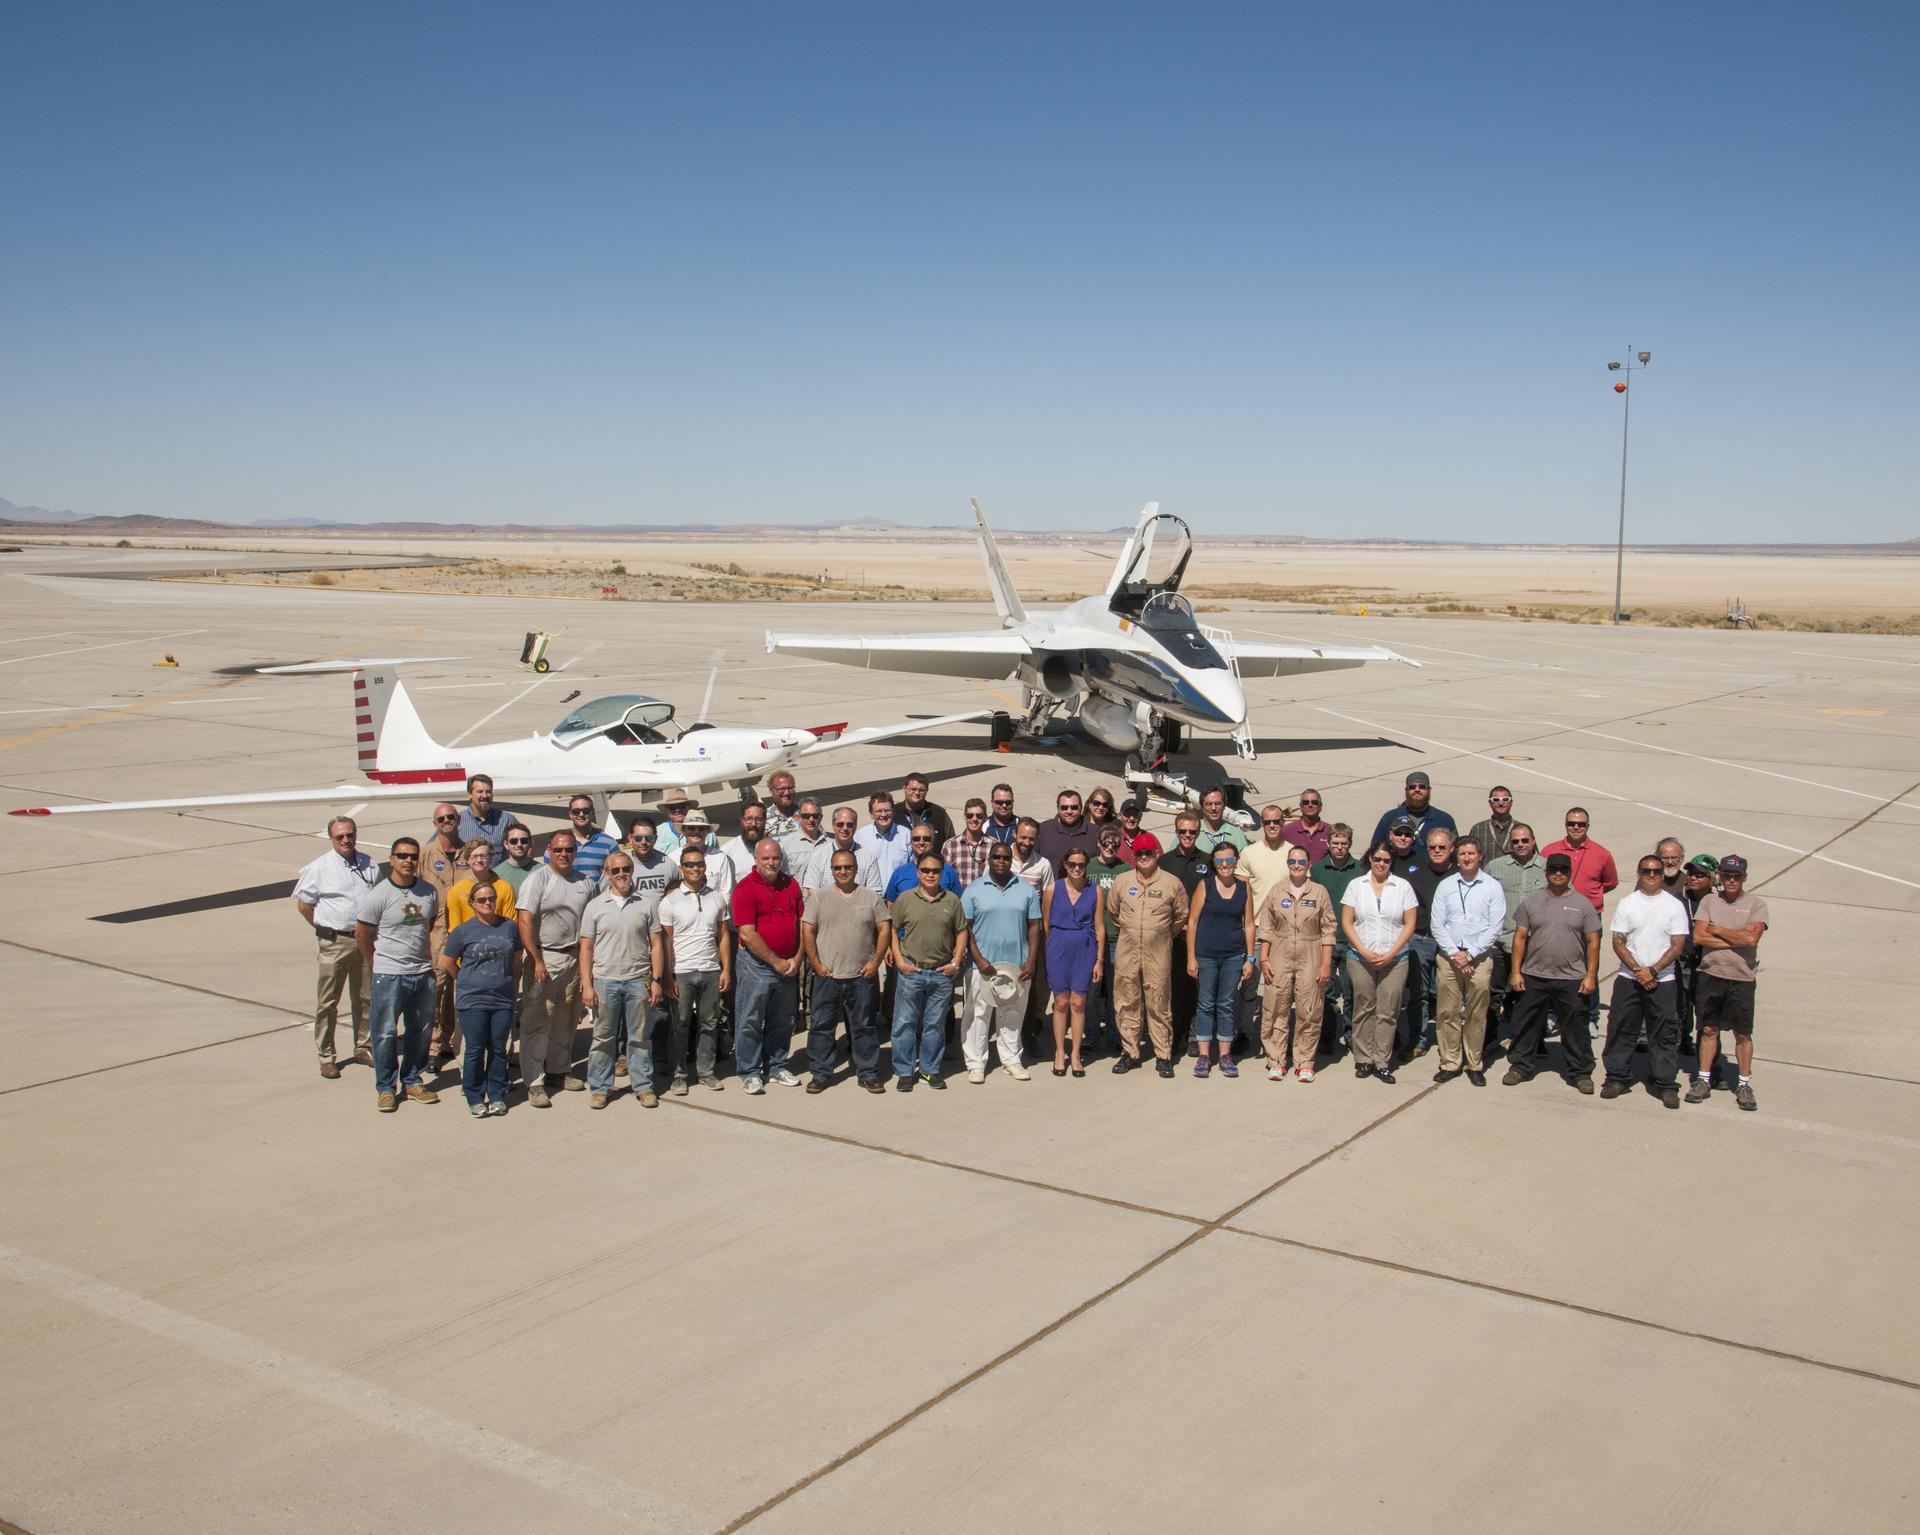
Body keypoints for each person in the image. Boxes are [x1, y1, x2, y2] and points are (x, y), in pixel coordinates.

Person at [1504, 853, 1602, 1092]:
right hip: (1534, 975)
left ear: (1569, 874)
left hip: (1571, 978)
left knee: (1576, 1027)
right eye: (1554, 869)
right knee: (1526, 1023)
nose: (1559, 873)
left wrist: (1590, 976)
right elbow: (1519, 938)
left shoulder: (1583, 904)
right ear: (1545, 872)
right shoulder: (1531, 902)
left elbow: (1593, 942)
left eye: (1564, 870)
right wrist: (1516, 973)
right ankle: (1520, 1066)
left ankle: (1580, 1073)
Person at [355, 836, 439, 1113]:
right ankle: (386, 1088)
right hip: (389, 975)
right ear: (391, 859)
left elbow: (430, 924)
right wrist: (377, 963)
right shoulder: (378, 895)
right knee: (385, 1033)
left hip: (422, 973)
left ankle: (413, 1080)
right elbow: (363, 935)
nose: (408, 861)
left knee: (421, 1031)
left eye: (413, 856)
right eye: (402, 856)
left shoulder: (428, 892)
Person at [1602, 855, 1690, 1108]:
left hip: (1663, 980)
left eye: (1656, 871)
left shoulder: (1673, 905)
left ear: (1663, 875)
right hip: (1629, 978)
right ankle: (1617, 1077)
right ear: (1638, 873)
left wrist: (1653, 970)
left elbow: (1678, 944)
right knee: (1621, 1027)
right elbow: (1618, 941)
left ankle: (1664, 1083)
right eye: (1646, 871)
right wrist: (1638, 970)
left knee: (1664, 1033)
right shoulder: (1627, 903)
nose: (1651, 875)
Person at [294, 815, 377, 1079]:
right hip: (335, 941)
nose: (346, 840)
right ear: (331, 838)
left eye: (350, 835)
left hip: (364, 941)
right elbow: (305, 905)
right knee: (328, 1001)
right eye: (340, 836)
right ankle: (327, 1055)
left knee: (366, 997)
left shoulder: (370, 864)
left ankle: (364, 1046)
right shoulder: (318, 868)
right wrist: (324, 928)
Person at [515, 829, 594, 1106]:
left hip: (574, 957)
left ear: (575, 851)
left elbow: (590, 922)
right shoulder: (538, 879)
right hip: (545, 958)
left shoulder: (584, 882)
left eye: (569, 849)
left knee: (567, 1017)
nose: (564, 854)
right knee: (538, 1020)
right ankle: (534, 1081)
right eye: (558, 849)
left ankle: (558, 1071)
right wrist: (535, 959)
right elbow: (524, 920)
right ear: (549, 850)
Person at [800, 848, 890, 1093]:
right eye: (838, 868)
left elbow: (884, 929)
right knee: (821, 1027)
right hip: (827, 977)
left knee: (864, 1027)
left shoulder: (870, 897)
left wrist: (875, 962)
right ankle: (820, 1074)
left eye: (848, 867)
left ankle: (868, 1073)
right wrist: (816, 964)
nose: (843, 871)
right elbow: (807, 931)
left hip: (862, 977)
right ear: (831, 870)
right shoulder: (819, 898)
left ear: (856, 869)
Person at [582, 854, 666, 1108]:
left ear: (632, 871)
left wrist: (657, 980)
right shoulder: (595, 906)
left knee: (640, 1036)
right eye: (615, 869)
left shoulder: (647, 904)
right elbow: (586, 948)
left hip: (637, 979)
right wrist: (587, 984)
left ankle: (643, 1086)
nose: (621, 874)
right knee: (603, 1037)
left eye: (626, 869)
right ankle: (600, 1087)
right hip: (605, 980)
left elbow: (656, 945)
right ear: (607, 872)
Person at [1688, 854, 1768, 1111]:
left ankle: (1744, 1083)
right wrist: (1737, 937)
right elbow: (1699, 936)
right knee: (1708, 1029)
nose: (1731, 880)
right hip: (1711, 975)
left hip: (1742, 978)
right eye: (1727, 876)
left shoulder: (1756, 904)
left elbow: (1751, 940)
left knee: (1742, 1033)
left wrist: (1719, 929)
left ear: (1744, 878)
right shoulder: (1710, 900)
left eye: (1737, 876)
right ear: (1719, 877)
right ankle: (1703, 1079)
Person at [960, 841, 1042, 1083]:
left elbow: (1035, 926)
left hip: (1016, 966)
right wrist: (979, 958)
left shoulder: (1025, 890)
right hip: (982, 967)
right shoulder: (974, 890)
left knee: (1012, 1013)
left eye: (1005, 858)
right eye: (996, 857)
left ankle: (1011, 1059)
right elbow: (965, 928)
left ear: (1011, 861)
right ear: (989, 859)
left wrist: (1031, 961)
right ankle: (976, 1063)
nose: (1000, 861)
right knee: (978, 1014)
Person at [1108, 833, 1189, 1077]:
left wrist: (1161, 933)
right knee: (1127, 1001)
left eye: (1148, 853)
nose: (1144, 857)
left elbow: (1181, 916)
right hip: (1128, 951)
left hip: (1158, 953)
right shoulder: (1122, 881)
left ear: (1156, 855)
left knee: (1159, 1002)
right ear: (1134, 857)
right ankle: (1130, 1052)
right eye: (1140, 854)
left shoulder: (1172, 883)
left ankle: (1163, 1055)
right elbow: (1113, 912)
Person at [731, 839, 806, 1095]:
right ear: (756, 860)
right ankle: (749, 1072)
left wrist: (797, 958)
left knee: (783, 1020)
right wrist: (776, 961)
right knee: (751, 1020)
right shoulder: (745, 889)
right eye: (766, 859)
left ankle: (777, 1066)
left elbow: (801, 924)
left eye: (775, 858)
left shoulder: (791, 885)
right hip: (757, 966)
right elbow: (748, 934)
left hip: (788, 965)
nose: (771, 863)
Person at [1430, 835, 1506, 1086]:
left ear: (1480, 856)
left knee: (1476, 1012)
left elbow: (1495, 927)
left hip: (1480, 957)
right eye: (1462, 854)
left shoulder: (1492, 887)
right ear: (1456, 856)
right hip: (1449, 956)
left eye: (1471, 854)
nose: (1466, 858)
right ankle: (1450, 1062)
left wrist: (1470, 954)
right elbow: (1437, 924)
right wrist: (1455, 953)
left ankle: (1474, 1063)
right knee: (1447, 1011)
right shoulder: (1446, 886)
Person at [1341, 841, 1417, 1084]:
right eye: (1377, 859)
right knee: (1363, 1006)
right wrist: (1363, 950)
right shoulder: (1356, 885)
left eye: (1386, 860)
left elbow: (1409, 923)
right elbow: (1347, 922)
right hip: (1360, 958)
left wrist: (1392, 952)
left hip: (1395, 959)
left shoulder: (1402, 886)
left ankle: (1382, 1061)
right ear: (1370, 858)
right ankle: (1364, 1058)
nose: (1381, 864)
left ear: (1391, 861)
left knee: (1388, 1009)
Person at [889, 854, 968, 1090]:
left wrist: (955, 962)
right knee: (904, 1023)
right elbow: (893, 929)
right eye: (925, 870)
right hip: (912, 970)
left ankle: (929, 1070)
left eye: (935, 871)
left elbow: (962, 931)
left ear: (942, 873)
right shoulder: (905, 899)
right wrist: (900, 961)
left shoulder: (952, 900)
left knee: (934, 1024)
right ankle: (904, 1071)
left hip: (941, 973)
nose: (930, 875)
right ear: (918, 872)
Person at [658, 844, 732, 1091]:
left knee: (709, 1023)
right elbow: (666, 941)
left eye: (699, 864)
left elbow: (722, 937)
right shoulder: (670, 901)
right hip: (683, 971)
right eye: (689, 864)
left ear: (705, 867)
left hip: (710, 969)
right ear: (681, 868)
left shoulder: (717, 898)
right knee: (680, 1024)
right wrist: (668, 977)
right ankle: (679, 1074)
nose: (695, 868)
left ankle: (706, 1071)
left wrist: (726, 969)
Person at [1257, 846, 1336, 1081]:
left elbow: (1329, 930)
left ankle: (1305, 1062)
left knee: (1309, 1008)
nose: (1297, 865)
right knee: (1275, 1006)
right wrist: (1264, 958)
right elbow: (1267, 927)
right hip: (1280, 953)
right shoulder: (1277, 891)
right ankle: (1276, 1060)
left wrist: (1325, 964)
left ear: (1309, 863)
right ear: (1287, 863)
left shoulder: (1319, 892)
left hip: (1310, 952)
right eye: (1292, 861)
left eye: (1301, 861)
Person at [443, 879, 520, 1117]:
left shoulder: (509, 926)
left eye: (491, 899)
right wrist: (466, 981)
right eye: (482, 900)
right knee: (475, 1049)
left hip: (502, 998)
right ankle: (475, 1095)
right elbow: (448, 962)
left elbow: (517, 955)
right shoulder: (463, 931)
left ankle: (497, 1094)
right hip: (472, 999)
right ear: (472, 904)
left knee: (498, 1049)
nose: (488, 903)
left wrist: (508, 980)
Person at [1544, 806, 1619, 1040]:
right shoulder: (1550, 851)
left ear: (1588, 826)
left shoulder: (1602, 854)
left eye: (1581, 824)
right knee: (1553, 966)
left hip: (1588, 919)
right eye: (1571, 824)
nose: (1576, 828)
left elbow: (1610, 883)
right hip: (1555, 917)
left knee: (1589, 968)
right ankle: (1553, 1014)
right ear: (1565, 825)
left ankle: (1590, 1017)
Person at [1187, 844, 1252, 1077]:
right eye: (1220, 861)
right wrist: (1191, 957)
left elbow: (1250, 924)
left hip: (1233, 956)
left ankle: (1225, 1055)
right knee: (1205, 1004)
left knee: (1226, 1004)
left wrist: (1250, 958)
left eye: (1229, 860)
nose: (1225, 865)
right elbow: (1192, 922)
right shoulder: (1204, 886)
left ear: (1235, 862)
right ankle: (1204, 1056)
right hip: (1206, 955)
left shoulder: (1244, 888)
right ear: (1214, 863)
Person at [1486, 823, 1545, 1050]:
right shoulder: (1495, 867)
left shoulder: (1547, 867)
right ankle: (1489, 1037)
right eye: (1515, 841)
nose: (1520, 844)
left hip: (1534, 947)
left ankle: (1531, 1042)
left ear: (1533, 841)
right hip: (1501, 943)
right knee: (1493, 995)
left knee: (1531, 998)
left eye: (1525, 840)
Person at [1044, 849, 1103, 1076]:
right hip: (1058, 947)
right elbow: (1046, 924)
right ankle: (1060, 1052)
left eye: (1080, 864)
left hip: (1085, 948)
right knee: (1060, 1002)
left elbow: (1099, 927)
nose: (1076, 868)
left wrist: (1098, 960)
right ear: (1065, 865)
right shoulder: (1053, 889)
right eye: (1072, 864)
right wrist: (1050, 952)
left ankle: (1076, 1053)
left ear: (1086, 865)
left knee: (1078, 1002)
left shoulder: (1095, 890)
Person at [1400, 828, 1456, 1060]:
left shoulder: (1459, 876)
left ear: (1452, 848)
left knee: (1449, 996)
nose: (1437, 851)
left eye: (1442, 847)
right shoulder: (1415, 874)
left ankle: (1449, 1044)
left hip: (1450, 944)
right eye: (1432, 847)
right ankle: (1417, 1038)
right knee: (1419, 995)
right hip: (1421, 940)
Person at [1310, 824, 1362, 1053]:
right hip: (1326, 941)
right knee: (1327, 991)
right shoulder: (1318, 870)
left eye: (1344, 844)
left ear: (1350, 844)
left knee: (1352, 991)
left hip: (1352, 941)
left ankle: (1351, 1034)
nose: (1339, 848)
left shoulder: (1360, 870)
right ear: (1328, 844)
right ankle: (1327, 1035)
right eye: (1335, 844)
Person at [420, 803, 464, 1070]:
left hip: (463, 929)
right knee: (436, 987)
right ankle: (432, 1046)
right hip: (436, 930)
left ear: (458, 820)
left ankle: (449, 1041)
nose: (447, 821)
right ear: (435, 824)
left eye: (451, 817)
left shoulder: (468, 852)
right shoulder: (425, 854)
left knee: (457, 989)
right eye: (441, 819)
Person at [1083, 824, 1133, 1056]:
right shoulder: (1088, 867)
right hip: (1091, 939)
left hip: (1118, 938)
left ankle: (1114, 1036)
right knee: (1091, 991)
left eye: (1116, 844)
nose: (1110, 847)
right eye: (1106, 843)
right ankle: (1091, 1035)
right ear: (1098, 844)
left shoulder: (1125, 869)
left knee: (1117, 992)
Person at [1675, 853, 1719, 1055]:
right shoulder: (1677, 901)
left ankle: (1711, 1061)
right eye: (1690, 872)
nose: (1692, 877)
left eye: (1699, 874)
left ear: (1712, 879)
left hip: (1708, 964)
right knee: (1679, 1007)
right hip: (1682, 961)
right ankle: (1682, 1039)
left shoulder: (1719, 904)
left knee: (1707, 1013)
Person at [1369, 770, 1458, 863]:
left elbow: (1456, 853)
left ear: (1429, 790)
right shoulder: (1390, 818)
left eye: (1422, 787)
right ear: (1406, 791)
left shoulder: (1444, 820)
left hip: (1434, 875)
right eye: (1412, 787)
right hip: (1395, 874)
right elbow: (1374, 850)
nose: (1417, 789)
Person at [803, 807, 879, 892]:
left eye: (850, 825)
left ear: (855, 826)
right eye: (840, 824)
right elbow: (813, 890)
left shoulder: (868, 857)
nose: (845, 828)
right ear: (833, 825)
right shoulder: (819, 854)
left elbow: (874, 893)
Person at [446, 839, 517, 930]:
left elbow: (509, 926)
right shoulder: (456, 891)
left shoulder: (505, 888)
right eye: (474, 856)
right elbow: (455, 930)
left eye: (483, 856)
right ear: (467, 860)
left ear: (491, 858)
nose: (479, 860)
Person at [883, 824, 961, 901]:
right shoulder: (899, 873)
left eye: (926, 839)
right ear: (911, 843)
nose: (921, 842)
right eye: (916, 839)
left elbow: (958, 901)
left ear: (933, 841)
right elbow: (891, 907)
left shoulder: (947, 870)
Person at [456, 773, 524, 856]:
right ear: (469, 794)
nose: (484, 795)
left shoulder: (507, 820)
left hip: (499, 869)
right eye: (480, 791)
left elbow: (527, 848)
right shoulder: (457, 821)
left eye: (488, 792)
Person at [856, 791, 911, 888]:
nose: (883, 814)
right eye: (879, 811)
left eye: (887, 810)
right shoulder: (861, 836)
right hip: (870, 895)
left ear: (893, 812)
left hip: (897, 895)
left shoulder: (906, 834)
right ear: (871, 814)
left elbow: (912, 868)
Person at [676, 809, 735, 900]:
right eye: (691, 828)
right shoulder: (673, 857)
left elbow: (726, 892)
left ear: (707, 831)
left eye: (701, 829)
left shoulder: (720, 857)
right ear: (684, 830)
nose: (696, 832)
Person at [1036, 788, 1097, 874]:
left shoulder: (1095, 832)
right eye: (1064, 807)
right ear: (1057, 808)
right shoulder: (1042, 830)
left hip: (1085, 886)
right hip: (1051, 886)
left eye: (1074, 807)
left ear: (1081, 808)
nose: (1069, 811)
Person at [565, 795, 619, 885]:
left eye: (585, 810)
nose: (581, 814)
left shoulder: (609, 843)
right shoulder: (559, 843)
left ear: (592, 812)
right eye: (576, 811)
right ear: (570, 815)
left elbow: (617, 872)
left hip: (598, 897)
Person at [719, 802, 776, 886]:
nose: (753, 824)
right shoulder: (726, 852)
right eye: (748, 819)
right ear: (741, 820)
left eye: (758, 819)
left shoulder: (776, 849)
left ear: (765, 821)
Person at [943, 797, 994, 889]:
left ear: (985, 818)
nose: (974, 819)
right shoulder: (950, 845)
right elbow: (944, 878)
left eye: (979, 816)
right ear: (964, 817)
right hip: (958, 900)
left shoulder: (994, 846)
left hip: (984, 900)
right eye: (970, 815)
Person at [779, 797, 830, 879]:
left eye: (815, 816)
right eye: (806, 816)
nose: (811, 819)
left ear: (820, 818)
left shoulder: (831, 844)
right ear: (798, 817)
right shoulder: (786, 844)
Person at [899, 770, 953, 846]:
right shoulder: (893, 813)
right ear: (904, 788)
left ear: (927, 791)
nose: (917, 793)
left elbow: (951, 843)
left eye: (921, 790)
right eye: (913, 789)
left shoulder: (939, 814)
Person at [1467, 787, 1518, 862]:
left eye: (1506, 799)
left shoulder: (1522, 830)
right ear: (1490, 803)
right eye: (1496, 800)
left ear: (1511, 802)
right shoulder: (1477, 829)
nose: (1501, 803)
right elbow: (1469, 856)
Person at [1280, 790, 1331, 864]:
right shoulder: (1287, 830)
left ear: (1320, 807)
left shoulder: (1330, 831)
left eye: (1315, 802)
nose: (1310, 805)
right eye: (1306, 802)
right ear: (1300, 807)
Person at [1163, 812, 1210, 892]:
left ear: (1198, 833)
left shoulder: (1208, 860)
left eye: (1192, 832)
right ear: (1177, 833)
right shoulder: (1164, 861)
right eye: (1182, 831)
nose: (1187, 835)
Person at [1195, 787, 1248, 855]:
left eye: (1218, 804)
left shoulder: (1237, 835)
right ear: (1202, 807)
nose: (1213, 808)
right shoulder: (1191, 831)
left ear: (1224, 806)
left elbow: (1244, 864)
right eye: (1209, 804)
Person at [495, 826, 539, 895]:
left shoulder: (543, 871)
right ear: (506, 844)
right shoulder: (496, 875)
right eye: (513, 841)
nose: (519, 845)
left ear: (530, 843)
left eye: (524, 841)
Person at [763, 771, 803, 840]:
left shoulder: (806, 815)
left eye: (790, 788)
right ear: (771, 791)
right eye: (781, 789)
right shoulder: (762, 819)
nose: (787, 793)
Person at [653, 793, 693, 858]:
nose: (677, 810)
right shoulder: (657, 831)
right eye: (672, 808)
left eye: (682, 806)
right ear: (667, 811)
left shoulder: (706, 832)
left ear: (689, 808)